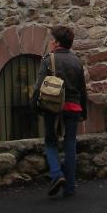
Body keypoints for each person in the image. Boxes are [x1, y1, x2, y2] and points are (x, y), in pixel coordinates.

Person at [30, 25, 88, 198]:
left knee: (50, 141)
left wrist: (34, 105)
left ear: (56, 42)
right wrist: (83, 112)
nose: (50, 42)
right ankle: (70, 187)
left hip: (53, 106)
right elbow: (82, 90)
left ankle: (57, 174)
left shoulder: (49, 59)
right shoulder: (77, 61)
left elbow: (39, 86)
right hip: (74, 107)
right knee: (70, 144)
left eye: (52, 40)